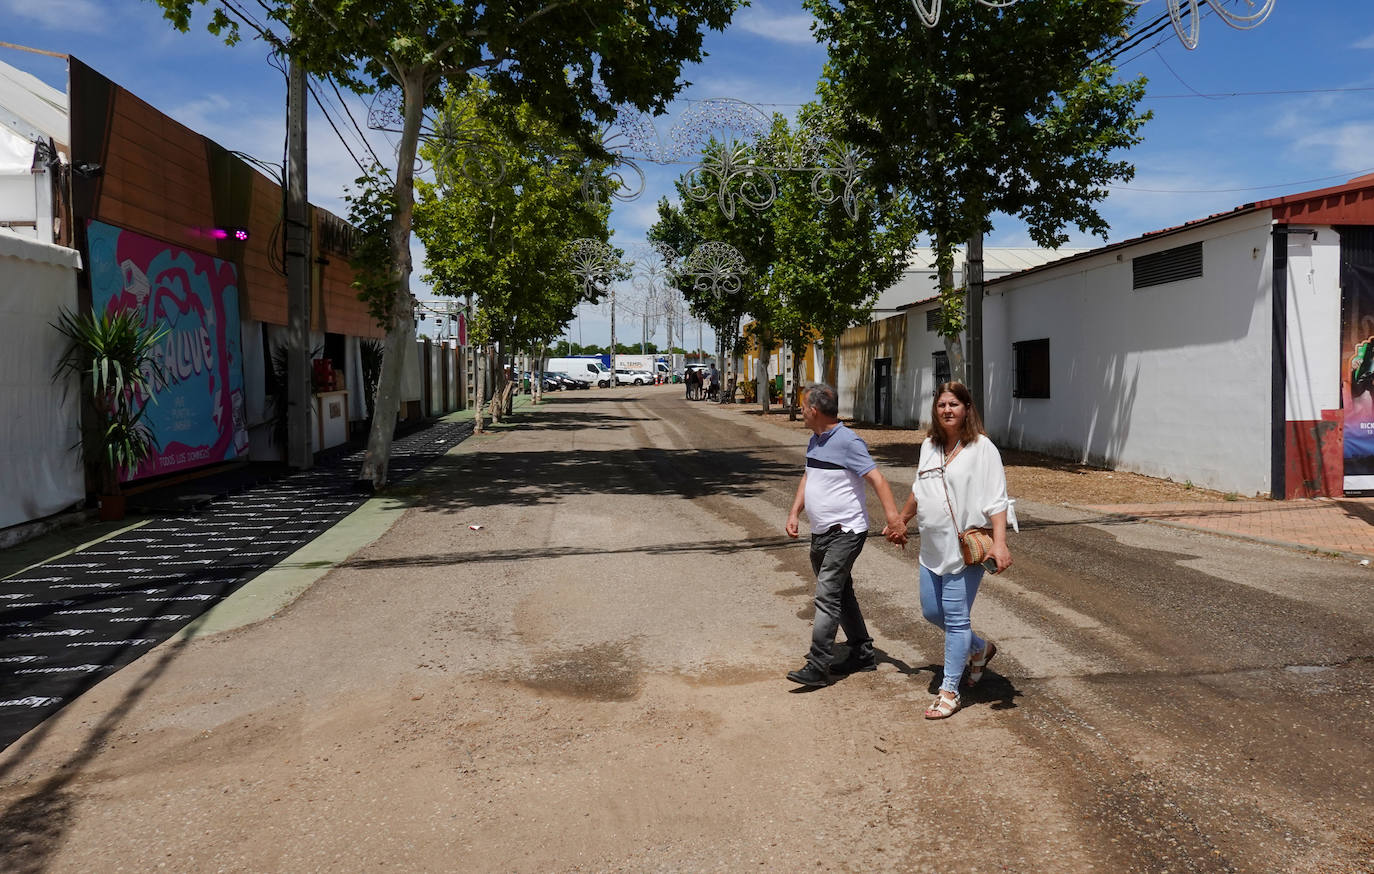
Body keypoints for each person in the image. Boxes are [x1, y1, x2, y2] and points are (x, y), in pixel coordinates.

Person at [884, 381, 1013, 719]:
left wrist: (999, 543)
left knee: (956, 620)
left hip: (964, 550)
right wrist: (901, 520)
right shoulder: (930, 445)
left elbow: (998, 500)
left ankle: (949, 691)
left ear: (967, 408)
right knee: (931, 612)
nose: (947, 410)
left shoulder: (982, 448)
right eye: (942, 404)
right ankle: (979, 648)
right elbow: (919, 489)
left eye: (954, 404)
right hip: (931, 548)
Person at [785, 384, 907, 687]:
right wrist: (794, 511)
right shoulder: (815, 440)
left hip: (847, 531)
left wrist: (894, 520)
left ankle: (818, 664)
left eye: (802, 407)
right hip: (821, 532)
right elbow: (809, 475)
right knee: (841, 592)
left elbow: (877, 479)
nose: (800, 411)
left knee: (827, 595)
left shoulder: (848, 441)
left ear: (813, 410)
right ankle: (862, 652)